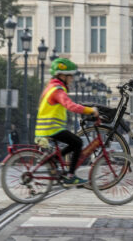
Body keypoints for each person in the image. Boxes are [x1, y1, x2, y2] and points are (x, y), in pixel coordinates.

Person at [36, 57, 96, 186]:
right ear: (62, 75)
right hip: (51, 127)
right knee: (78, 142)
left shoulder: (50, 87)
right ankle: (71, 176)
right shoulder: (57, 90)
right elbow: (71, 106)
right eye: (70, 76)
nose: (72, 79)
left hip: (47, 127)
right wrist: (90, 110)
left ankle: (53, 159)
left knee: (73, 143)